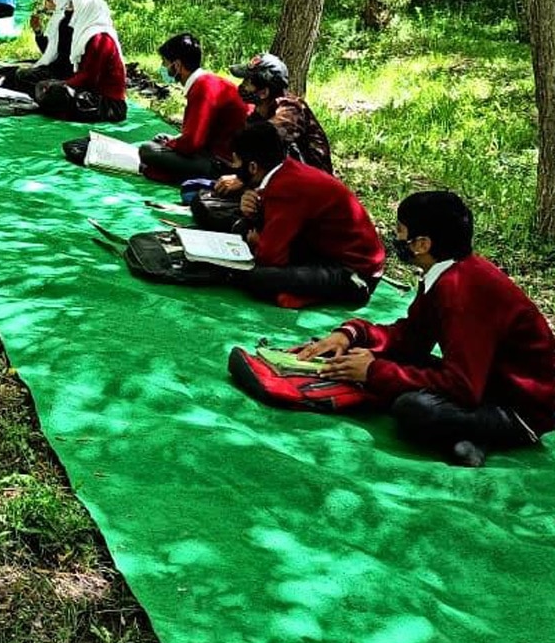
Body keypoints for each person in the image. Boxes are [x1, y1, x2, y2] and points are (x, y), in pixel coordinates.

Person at [297, 191, 555, 467]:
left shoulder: (462, 291)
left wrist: (374, 372)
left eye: (399, 230)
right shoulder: (446, 273)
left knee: (412, 408)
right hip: (483, 382)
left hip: (518, 408)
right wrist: (351, 334)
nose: (395, 237)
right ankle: (468, 438)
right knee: (375, 358)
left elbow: (462, 386)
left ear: (421, 244)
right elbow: (411, 337)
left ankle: (478, 432)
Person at [230, 122, 384, 307]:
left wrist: (256, 242)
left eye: (236, 161)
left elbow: (271, 256)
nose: (234, 167)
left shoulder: (286, 187)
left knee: (257, 277)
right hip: (320, 248)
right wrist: (253, 212)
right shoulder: (284, 171)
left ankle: (341, 290)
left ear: (253, 167)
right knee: (239, 228)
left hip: (353, 269)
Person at [198, 52, 333, 229]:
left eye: (247, 82)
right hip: (271, 185)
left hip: (306, 196)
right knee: (203, 201)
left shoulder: (290, 110)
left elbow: (272, 153)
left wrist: (242, 180)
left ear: (263, 92)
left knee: (216, 212)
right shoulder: (257, 116)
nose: (242, 87)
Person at [138, 33, 249, 182]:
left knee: (147, 150)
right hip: (216, 151)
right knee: (159, 140)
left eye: (165, 62)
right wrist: (173, 141)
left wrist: (171, 144)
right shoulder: (207, 81)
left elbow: (192, 143)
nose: (163, 67)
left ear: (177, 65)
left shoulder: (202, 88)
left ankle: (163, 172)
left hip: (221, 163)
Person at [36, 0, 126, 123]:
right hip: (93, 94)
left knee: (54, 93)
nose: (72, 13)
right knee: (46, 87)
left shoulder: (100, 38)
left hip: (107, 104)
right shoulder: (88, 34)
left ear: (85, 11)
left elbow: (89, 77)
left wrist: (62, 85)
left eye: (75, 8)